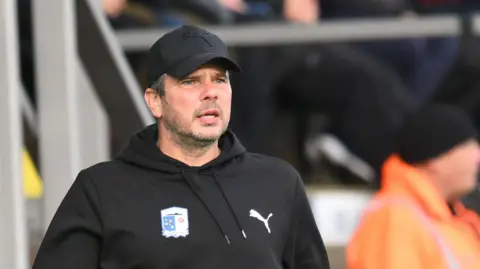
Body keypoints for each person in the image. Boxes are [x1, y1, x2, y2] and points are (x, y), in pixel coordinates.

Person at [31, 25, 331, 269]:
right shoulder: (100, 189)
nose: (210, 93)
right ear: (155, 101)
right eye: (191, 82)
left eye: (219, 80)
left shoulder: (278, 182)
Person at [346, 104, 480, 269]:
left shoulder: (452, 218)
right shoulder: (395, 219)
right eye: (467, 146)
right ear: (435, 159)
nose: (477, 157)